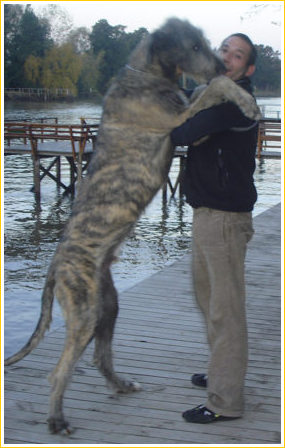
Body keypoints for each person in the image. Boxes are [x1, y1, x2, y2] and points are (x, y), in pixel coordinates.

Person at [170, 33, 259, 423]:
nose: (227, 57)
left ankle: (225, 401)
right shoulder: (213, 95)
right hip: (207, 213)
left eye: (237, 55)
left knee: (225, 311)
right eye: (224, 49)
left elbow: (181, 132)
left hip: (224, 218)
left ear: (248, 69)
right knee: (208, 302)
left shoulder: (236, 105)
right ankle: (222, 372)